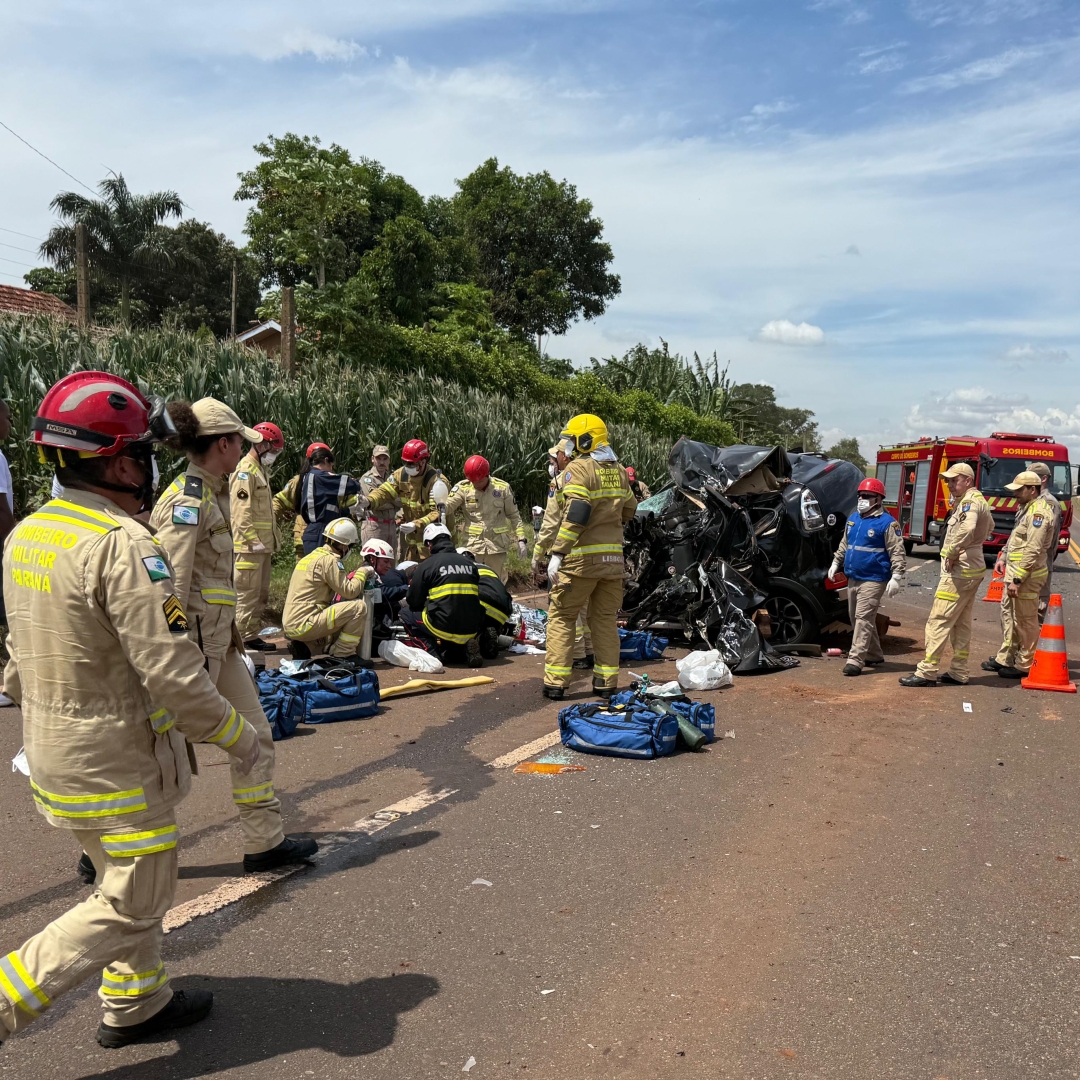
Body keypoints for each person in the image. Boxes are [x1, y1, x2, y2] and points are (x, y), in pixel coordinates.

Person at [0, 372, 262, 1049]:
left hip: (57, 753)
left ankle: (136, 999)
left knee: (124, 870)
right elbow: (174, 674)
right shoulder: (124, 546)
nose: (151, 470)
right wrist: (240, 738)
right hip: (115, 759)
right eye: (143, 456)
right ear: (117, 463)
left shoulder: (29, 535)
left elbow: (16, 652)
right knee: (138, 893)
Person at [150, 399, 316, 873]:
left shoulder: (217, 492)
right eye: (240, 440)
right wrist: (180, 650)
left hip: (221, 644)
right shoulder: (186, 502)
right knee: (160, 746)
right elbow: (171, 588)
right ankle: (102, 847)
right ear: (223, 444)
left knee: (256, 734)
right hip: (193, 647)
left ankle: (264, 841)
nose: (246, 447)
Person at [542, 414, 637, 701]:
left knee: (562, 616)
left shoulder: (580, 469)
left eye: (572, 439)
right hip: (613, 564)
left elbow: (576, 515)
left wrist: (557, 554)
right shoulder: (619, 470)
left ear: (585, 440)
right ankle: (606, 683)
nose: (569, 445)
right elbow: (630, 510)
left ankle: (556, 683)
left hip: (580, 563)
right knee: (605, 621)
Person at [900, 463, 993, 687]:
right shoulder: (978, 501)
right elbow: (989, 527)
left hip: (960, 570)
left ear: (968, 481)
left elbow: (968, 528)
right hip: (972, 567)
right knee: (961, 622)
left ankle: (927, 672)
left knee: (938, 620)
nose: (950, 484)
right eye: (948, 480)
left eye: (955, 480)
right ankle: (959, 671)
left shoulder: (970, 503)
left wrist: (953, 551)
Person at [981, 470, 1056, 678]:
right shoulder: (1027, 507)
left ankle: (1025, 664)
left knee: (1025, 620)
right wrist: (1003, 557)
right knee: (1010, 617)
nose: (1015, 494)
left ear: (1032, 489)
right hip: (1015, 574)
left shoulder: (1039, 513)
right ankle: (1006, 657)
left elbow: (1033, 548)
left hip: (1026, 577)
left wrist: (1017, 579)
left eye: (1019, 490)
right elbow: (1017, 538)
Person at [827, 477, 905, 676]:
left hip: (874, 578)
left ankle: (856, 659)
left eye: (867, 496)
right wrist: (836, 562)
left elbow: (897, 551)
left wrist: (896, 576)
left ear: (878, 499)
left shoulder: (887, 524)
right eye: (860, 495)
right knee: (856, 618)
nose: (862, 499)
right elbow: (845, 544)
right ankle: (873, 653)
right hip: (853, 577)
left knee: (863, 618)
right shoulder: (854, 519)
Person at [534, 446, 593, 670]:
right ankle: (588, 651)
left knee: (565, 607)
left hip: (566, 555)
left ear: (564, 457)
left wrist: (537, 553)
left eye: (552, 459)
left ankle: (576, 654)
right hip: (590, 555)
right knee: (585, 608)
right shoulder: (590, 476)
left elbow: (550, 524)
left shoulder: (559, 482)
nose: (551, 463)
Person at [282, 518, 371, 658]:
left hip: (292, 624)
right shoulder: (330, 560)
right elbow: (350, 592)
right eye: (350, 546)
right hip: (305, 623)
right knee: (358, 608)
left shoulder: (310, 557)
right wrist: (363, 571)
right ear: (343, 545)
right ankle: (344, 655)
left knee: (336, 623)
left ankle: (305, 648)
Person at [230, 421, 284, 650]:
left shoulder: (260, 470)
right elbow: (240, 511)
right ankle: (240, 639)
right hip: (249, 547)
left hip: (263, 547)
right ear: (261, 445)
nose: (273, 455)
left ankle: (250, 634)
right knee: (246, 595)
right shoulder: (245, 471)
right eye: (273, 450)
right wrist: (252, 541)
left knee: (260, 595)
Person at [400, 524, 484, 666]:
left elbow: (413, 601)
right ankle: (461, 650)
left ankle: (433, 652)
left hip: (443, 625)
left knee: (406, 613)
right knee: (449, 614)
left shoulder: (427, 565)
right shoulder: (470, 564)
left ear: (429, 543)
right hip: (472, 626)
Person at [357, 440, 443, 563]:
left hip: (432, 542)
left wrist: (416, 524)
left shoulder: (436, 482)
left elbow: (439, 512)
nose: (407, 467)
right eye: (405, 462)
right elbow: (384, 492)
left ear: (423, 462)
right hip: (412, 545)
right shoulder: (400, 475)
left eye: (411, 464)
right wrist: (369, 501)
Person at [444, 454, 527, 583]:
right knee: (471, 580)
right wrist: (439, 503)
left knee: (496, 582)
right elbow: (449, 506)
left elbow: (514, 515)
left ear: (487, 475)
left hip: (496, 546)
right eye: (473, 481)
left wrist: (521, 539)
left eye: (479, 481)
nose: (476, 484)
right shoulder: (463, 488)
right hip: (473, 546)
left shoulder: (502, 488)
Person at [292, 445, 362, 555]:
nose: (331, 470)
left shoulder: (308, 476)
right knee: (320, 568)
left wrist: (349, 511)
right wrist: (356, 483)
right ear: (326, 460)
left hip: (316, 530)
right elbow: (351, 485)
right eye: (331, 466)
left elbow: (328, 508)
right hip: (320, 531)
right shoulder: (320, 476)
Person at [273, 442, 330, 557]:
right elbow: (279, 501)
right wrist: (269, 522)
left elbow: (279, 501)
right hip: (310, 537)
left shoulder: (331, 480)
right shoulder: (299, 481)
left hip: (320, 534)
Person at [1028, 461, 1063, 614]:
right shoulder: (1032, 501)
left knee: (1038, 607)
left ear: (1043, 479)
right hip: (1028, 563)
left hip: (1040, 563)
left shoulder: (1048, 503)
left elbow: (1047, 538)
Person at [360, 537, 409, 637]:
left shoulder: (372, 574)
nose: (389, 566)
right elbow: (382, 593)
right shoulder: (365, 573)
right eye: (386, 562)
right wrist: (407, 589)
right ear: (372, 559)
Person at [359, 445, 399, 547]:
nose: (382, 462)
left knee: (390, 561)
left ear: (389, 460)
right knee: (373, 559)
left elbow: (402, 500)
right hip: (374, 525)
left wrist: (390, 499)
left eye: (385, 459)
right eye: (378, 458)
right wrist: (394, 500)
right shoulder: (367, 478)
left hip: (391, 525)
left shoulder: (392, 478)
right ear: (373, 459)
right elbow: (373, 503)